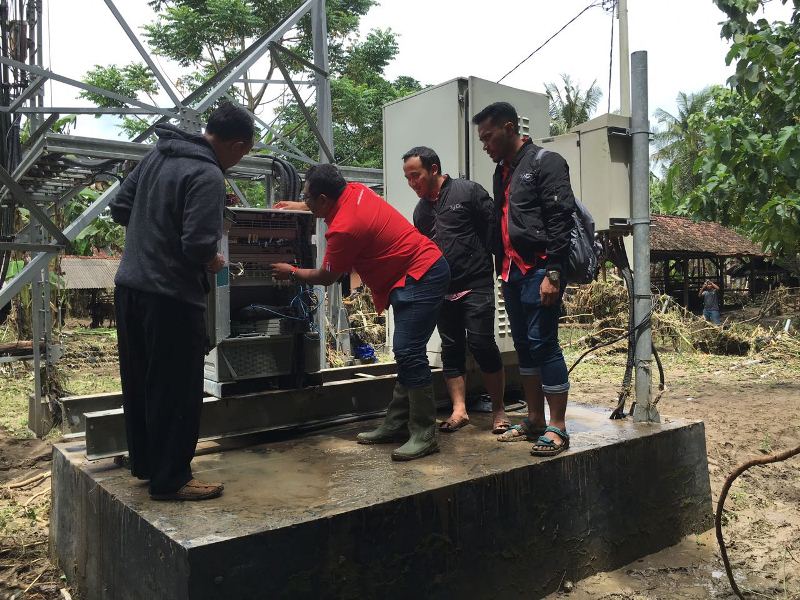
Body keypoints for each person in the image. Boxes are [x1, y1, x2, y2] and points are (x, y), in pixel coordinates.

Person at [110, 102, 255, 501]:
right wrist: (215, 259)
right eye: (241, 153)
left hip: (130, 289)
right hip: (172, 297)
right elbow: (197, 245)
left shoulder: (159, 153)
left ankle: (148, 465)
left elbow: (120, 208)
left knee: (140, 382)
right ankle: (172, 478)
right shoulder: (207, 173)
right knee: (176, 389)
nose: (238, 160)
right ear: (236, 144)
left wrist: (151, 231)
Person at [272, 164, 450, 461]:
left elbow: (326, 277)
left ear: (324, 200)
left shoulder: (344, 228)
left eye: (308, 197)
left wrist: (291, 272)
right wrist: (300, 205)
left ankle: (424, 433)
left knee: (408, 350)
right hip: (413, 271)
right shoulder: (355, 189)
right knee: (407, 351)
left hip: (422, 273)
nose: (306, 200)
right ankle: (396, 425)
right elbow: (327, 199)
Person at [472, 101, 575, 457]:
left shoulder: (546, 162)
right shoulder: (502, 172)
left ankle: (558, 426)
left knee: (544, 342)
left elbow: (561, 219)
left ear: (510, 128)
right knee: (525, 346)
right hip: (512, 272)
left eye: (488, 137)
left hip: (540, 269)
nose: (484, 145)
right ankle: (533, 418)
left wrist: (555, 273)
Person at [401, 146, 508, 435]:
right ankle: (459, 410)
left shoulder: (467, 192)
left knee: (482, 343)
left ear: (433, 169)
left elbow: (492, 230)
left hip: (476, 282)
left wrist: (485, 263)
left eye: (416, 176)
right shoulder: (421, 211)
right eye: (408, 178)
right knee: (451, 348)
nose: (412, 183)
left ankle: (499, 410)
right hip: (441, 289)